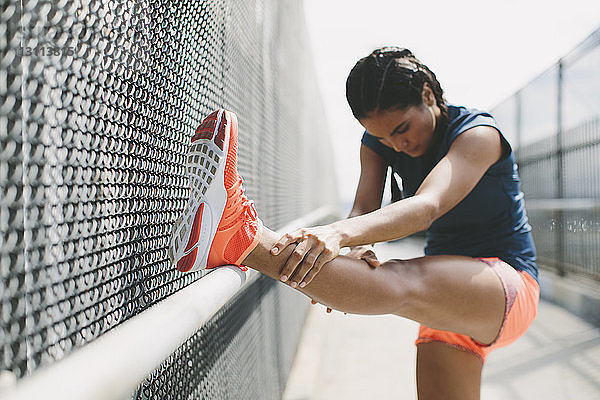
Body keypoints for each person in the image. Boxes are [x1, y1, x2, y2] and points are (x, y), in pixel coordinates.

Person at [169, 47, 540, 400]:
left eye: (402, 129)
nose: (396, 145)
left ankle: (240, 235)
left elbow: (428, 205)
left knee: (400, 280)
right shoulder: (379, 144)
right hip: (448, 304)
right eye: (382, 137)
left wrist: (338, 234)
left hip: (507, 284)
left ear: (428, 95)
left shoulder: (477, 135)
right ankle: (232, 235)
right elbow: (362, 209)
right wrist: (355, 254)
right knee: (386, 278)